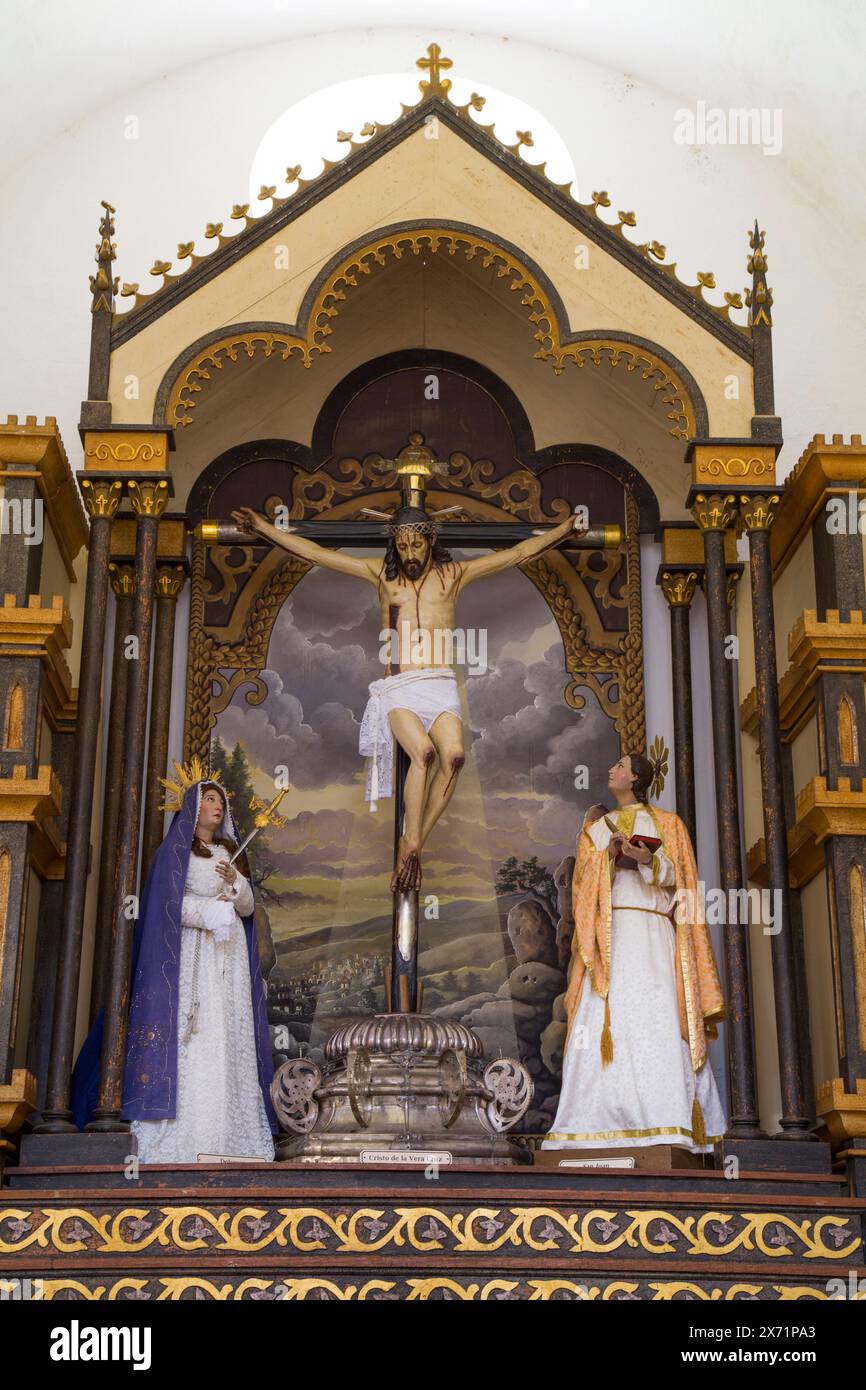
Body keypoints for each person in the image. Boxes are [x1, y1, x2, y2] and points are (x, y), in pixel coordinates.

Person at [231, 499, 583, 892]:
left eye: (417, 545)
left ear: (431, 540)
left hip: (440, 684)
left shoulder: (454, 576)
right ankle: (410, 840)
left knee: (455, 757)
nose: (411, 554)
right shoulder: (382, 576)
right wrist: (264, 528)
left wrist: (564, 530)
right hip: (398, 688)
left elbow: (517, 553)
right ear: (394, 546)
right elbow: (316, 553)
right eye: (403, 547)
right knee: (424, 754)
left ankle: (413, 840)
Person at [72, 774, 276, 1162]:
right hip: (191, 960)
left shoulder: (228, 854)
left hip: (227, 962)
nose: (218, 806)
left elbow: (247, 909)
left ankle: (235, 1142)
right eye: (210, 799)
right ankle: (190, 1140)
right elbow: (165, 908)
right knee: (196, 1040)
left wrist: (236, 885)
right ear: (193, 807)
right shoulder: (174, 853)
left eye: (221, 801)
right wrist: (208, 912)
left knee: (230, 1041)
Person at [542, 752, 726, 1154]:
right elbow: (582, 890)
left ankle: (666, 1121)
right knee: (605, 1020)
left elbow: (685, 881)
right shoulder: (594, 830)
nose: (612, 770)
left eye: (621, 766)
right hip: (609, 938)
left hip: (653, 932)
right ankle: (595, 1125)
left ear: (637, 777)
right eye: (613, 766)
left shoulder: (669, 824)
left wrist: (649, 860)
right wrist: (608, 858)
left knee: (658, 1016)